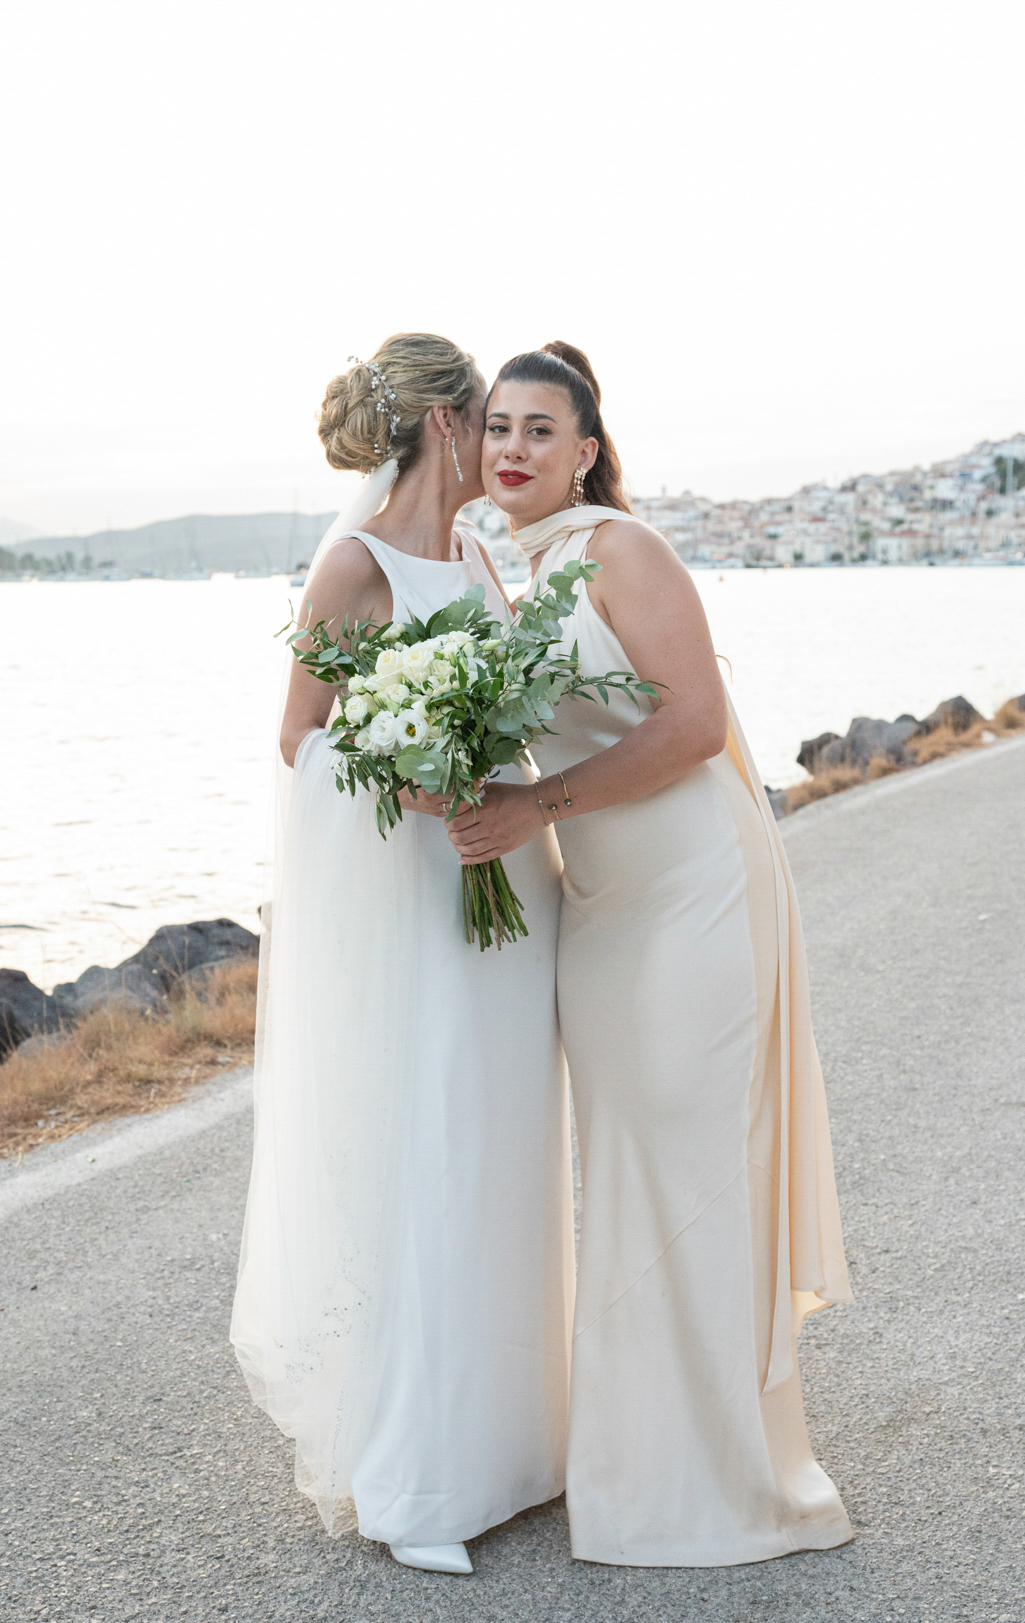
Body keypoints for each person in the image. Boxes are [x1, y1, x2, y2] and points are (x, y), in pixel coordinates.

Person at [447, 341, 854, 1567]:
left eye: (540, 430)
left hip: (690, 887)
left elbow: (694, 725)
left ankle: (718, 1480)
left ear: (585, 452)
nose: (513, 447)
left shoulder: (622, 549)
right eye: (498, 426)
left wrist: (534, 807)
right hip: (602, 902)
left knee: (690, 1167)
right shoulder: (511, 566)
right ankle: (634, 1462)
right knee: (627, 1166)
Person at [231, 334, 574, 1575]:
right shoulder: (354, 564)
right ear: (446, 425)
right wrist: (404, 759)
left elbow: (521, 713)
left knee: (502, 1142)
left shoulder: (479, 554)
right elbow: (299, 739)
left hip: (501, 884)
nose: (502, 443)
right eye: (490, 421)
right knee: (432, 1144)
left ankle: (512, 1445)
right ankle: (421, 1474)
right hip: (415, 896)